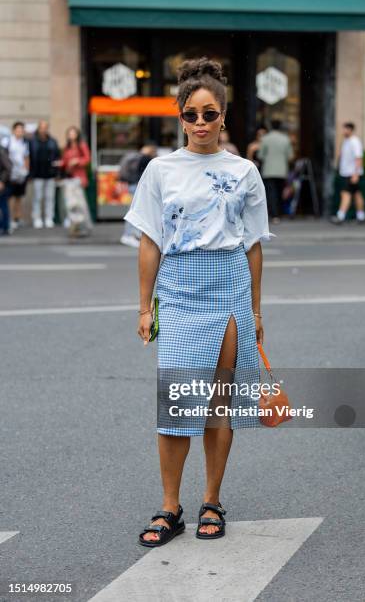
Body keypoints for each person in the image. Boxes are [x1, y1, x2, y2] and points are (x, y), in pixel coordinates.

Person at [124, 56, 274, 546]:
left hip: (228, 286)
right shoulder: (161, 170)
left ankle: (212, 499)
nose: (201, 123)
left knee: (217, 406)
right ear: (180, 117)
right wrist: (145, 307)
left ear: (224, 115)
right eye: (192, 114)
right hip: (180, 289)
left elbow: (252, 244)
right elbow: (150, 241)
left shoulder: (245, 171)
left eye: (210, 113)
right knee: (175, 405)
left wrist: (254, 312)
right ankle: (170, 507)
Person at [120, 143, 157, 248]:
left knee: (135, 210)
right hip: (138, 186)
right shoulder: (146, 159)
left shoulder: (135, 157)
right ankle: (128, 235)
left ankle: (133, 234)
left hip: (132, 185)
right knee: (135, 212)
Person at [257, 119, 293, 223]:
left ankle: (274, 215)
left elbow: (260, 155)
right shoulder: (285, 139)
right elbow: (290, 156)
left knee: (271, 193)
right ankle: (279, 213)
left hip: (268, 169)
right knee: (280, 191)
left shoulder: (265, 139)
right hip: (282, 170)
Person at [331, 122, 365, 224]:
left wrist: (355, 174)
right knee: (356, 194)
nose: (343, 131)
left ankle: (340, 216)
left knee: (345, 193)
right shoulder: (346, 141)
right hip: (345, 173)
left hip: (351, 173)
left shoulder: (355, 142)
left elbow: (358, 158)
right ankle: (361, 215)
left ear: (350, 130)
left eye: (345, 129)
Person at [29, 120, 60, 228]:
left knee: (50, 197)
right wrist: (30, 173)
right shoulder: (32, 141)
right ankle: (37, 218)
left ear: (47, 128)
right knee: (37, 197)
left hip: (50, 174)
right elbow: (29, 158)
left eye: (45, 127)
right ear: (38, 128)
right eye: (41, 127)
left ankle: (49, 218)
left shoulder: (53, 141)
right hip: (37, 174)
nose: (43, 129)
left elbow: (57, 157)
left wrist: (57, 173)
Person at [59, 126, 91, 229]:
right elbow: (64, 161)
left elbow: (87, 159)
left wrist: (77, 161)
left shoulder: (81, 145)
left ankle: (83, 225)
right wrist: (61, 163)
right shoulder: (67, 147)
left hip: (78, 178)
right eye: (70, 133)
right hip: (69, 178)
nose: (71, 135)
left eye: (73, 133)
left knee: (80, 203)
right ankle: (74, 224)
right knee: (70, 203)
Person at [0, 122, 29, 231]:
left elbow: (26, 157)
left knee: (17, 197)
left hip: (18, 174)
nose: (20, 132)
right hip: (9, 175)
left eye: (22, 130)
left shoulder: (23, 143)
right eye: (18, 130)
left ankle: (15, 219)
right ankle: (9, 221)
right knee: (7, 199)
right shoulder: (7, 142)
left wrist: (26, 170)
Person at [0, 145, 12, 235]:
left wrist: (2, 181)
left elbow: (8, 167)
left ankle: (5, 227)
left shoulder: (1, 151)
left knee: (3, 205)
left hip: (2, 184)